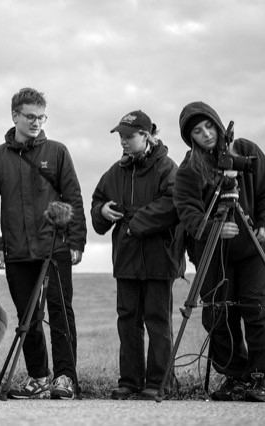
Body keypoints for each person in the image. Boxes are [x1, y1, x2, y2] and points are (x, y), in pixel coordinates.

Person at [0, 87, 87, 399]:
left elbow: (74, 197)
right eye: (30, 116)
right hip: (16, 250)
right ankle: (38, 377)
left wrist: (77, 240)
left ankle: (65, 378)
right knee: (28, 317)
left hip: (55, 247)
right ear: (15, 116)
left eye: (41, 117)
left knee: (61, 311)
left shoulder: (58, 151)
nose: (36, 122)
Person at [174, 101, 265, 402]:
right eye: (197, 131)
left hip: (254, 246)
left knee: (258, 307)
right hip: (213, 250)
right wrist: (213, 228)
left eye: (209, 126)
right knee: (218, 313)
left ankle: (262, 377)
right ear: (190, 138)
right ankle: (234, 376)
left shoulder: (246, 150)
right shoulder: (188, 169)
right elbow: (187, 212)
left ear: (219, 124)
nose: (206, 134)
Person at [91, 110, 182, 400]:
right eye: (120, 136)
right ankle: (129, 381)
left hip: (160, 257)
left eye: (128, 136)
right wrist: (102, 211)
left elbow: (173, 204)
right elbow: (98, 200)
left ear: (146, 135)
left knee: (158, 320)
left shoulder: (167, 167)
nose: (123, 141)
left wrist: (136, 224)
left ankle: (159, 383)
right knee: (128, 320)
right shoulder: (116, 171)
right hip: (127, 258)